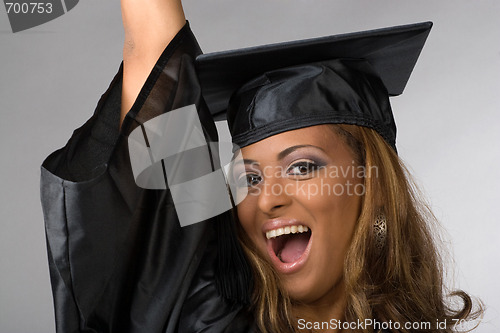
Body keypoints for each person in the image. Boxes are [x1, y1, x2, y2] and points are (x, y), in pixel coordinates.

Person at [40, 0, 482, 332]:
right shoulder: (203, 313)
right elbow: (156, 56)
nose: (267, 198)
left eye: (303, 167)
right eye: (248, 178)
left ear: (374, 185)